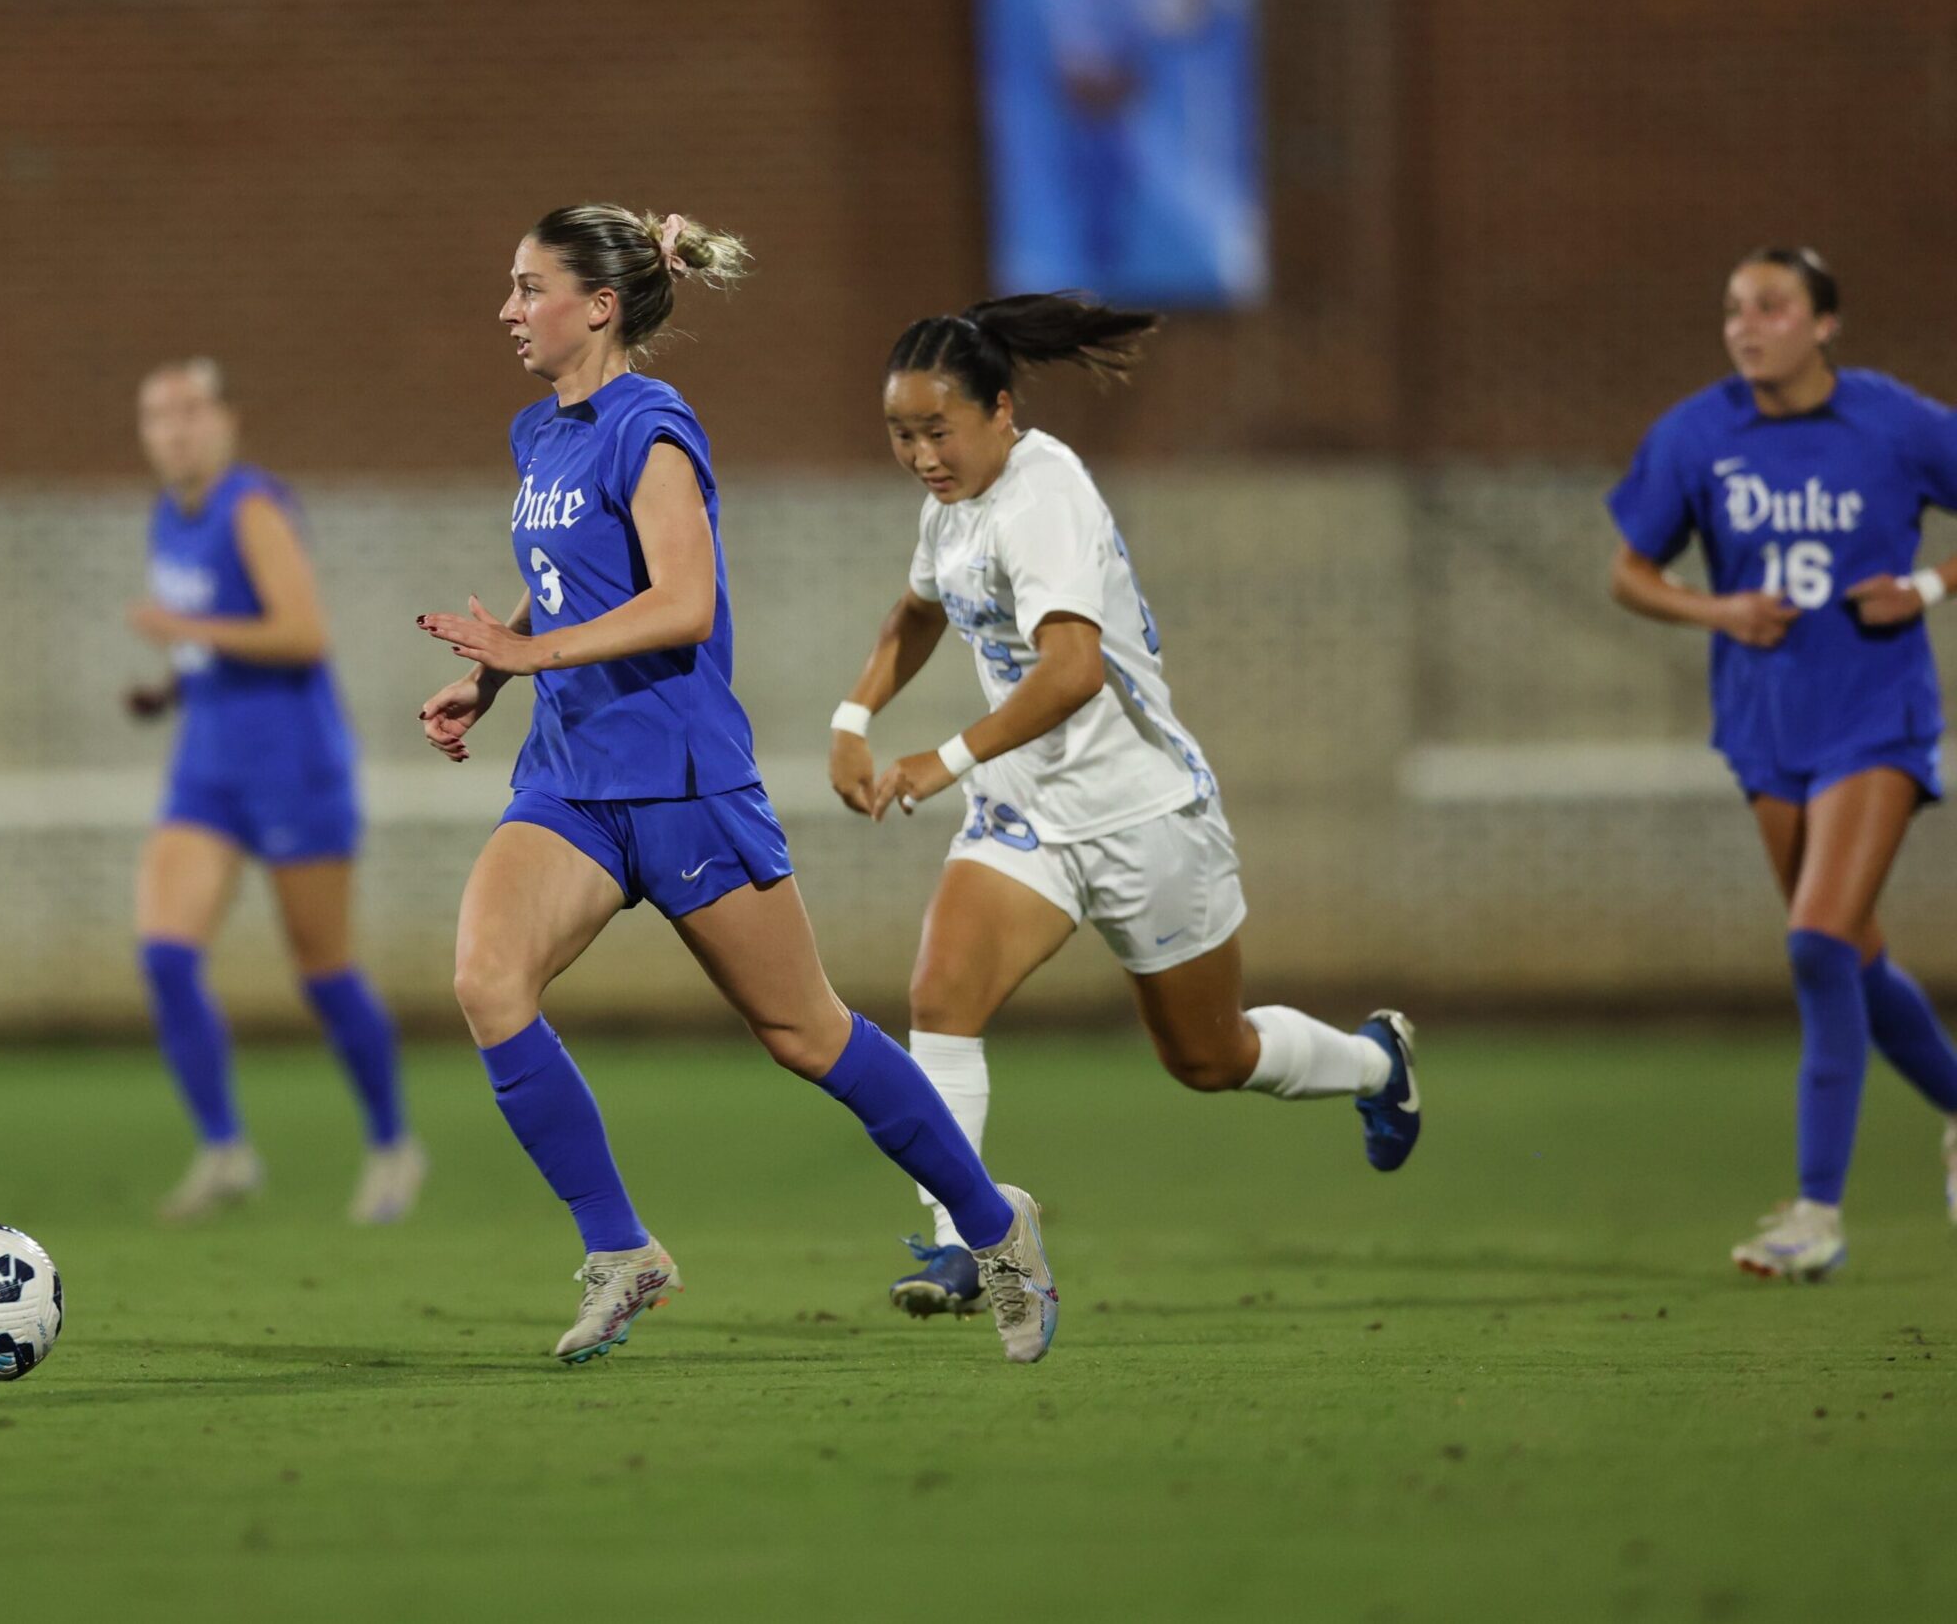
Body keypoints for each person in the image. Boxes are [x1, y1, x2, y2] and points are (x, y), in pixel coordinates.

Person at [416, 205, 1057, 1365]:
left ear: (598, 305)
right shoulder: (539, 433)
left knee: (805, 1033)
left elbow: (682, 602)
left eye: (527, 288)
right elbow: (565, 580)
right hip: (568, 781)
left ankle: (995, 1227)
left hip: (680, 781)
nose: (507, 310)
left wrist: (527, 655)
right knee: (486, 980)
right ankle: (620, 1250)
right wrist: (493, 675)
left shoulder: (653, 425)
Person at [827, 293, 1420, 1318]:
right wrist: (852, 714)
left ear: (1002, 411)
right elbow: (921, 609)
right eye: (901, 433)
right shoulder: (952, 504)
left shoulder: (1042, 494)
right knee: (939, 1003)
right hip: (1027, 814)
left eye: (939, 429)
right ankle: (965, 1243)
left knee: (1208, 1056)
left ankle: (1376, 1064)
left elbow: (1072, 672)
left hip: (1138, 813)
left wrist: (943, 758)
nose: (922, 453)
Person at [1607, 247, 1957, 1281]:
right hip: (1764, 727)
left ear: (1824, 325)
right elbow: (1629, 573)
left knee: (1812, 941)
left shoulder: (1892, 423)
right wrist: (1713, 607)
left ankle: (1815, 1212)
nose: (1745, 326)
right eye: (1731, 309)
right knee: (1845, 952)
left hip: (1874, 716)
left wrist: (1929, 589)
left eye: (1769, 306)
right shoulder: (1696, 433)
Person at [124, 358, 423, 1226]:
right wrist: (173, 682)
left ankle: (393, 1144)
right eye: (157, 415)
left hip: (294, 763)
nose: (174, 428)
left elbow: (301, 633)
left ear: (227, 421)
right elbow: (218, 642)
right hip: (206, 765)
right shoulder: (166, 517)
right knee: (166, 956)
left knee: (324, 974)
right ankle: (225, 1150)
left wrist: (181, 629)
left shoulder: (251, 506)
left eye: (189, 411)